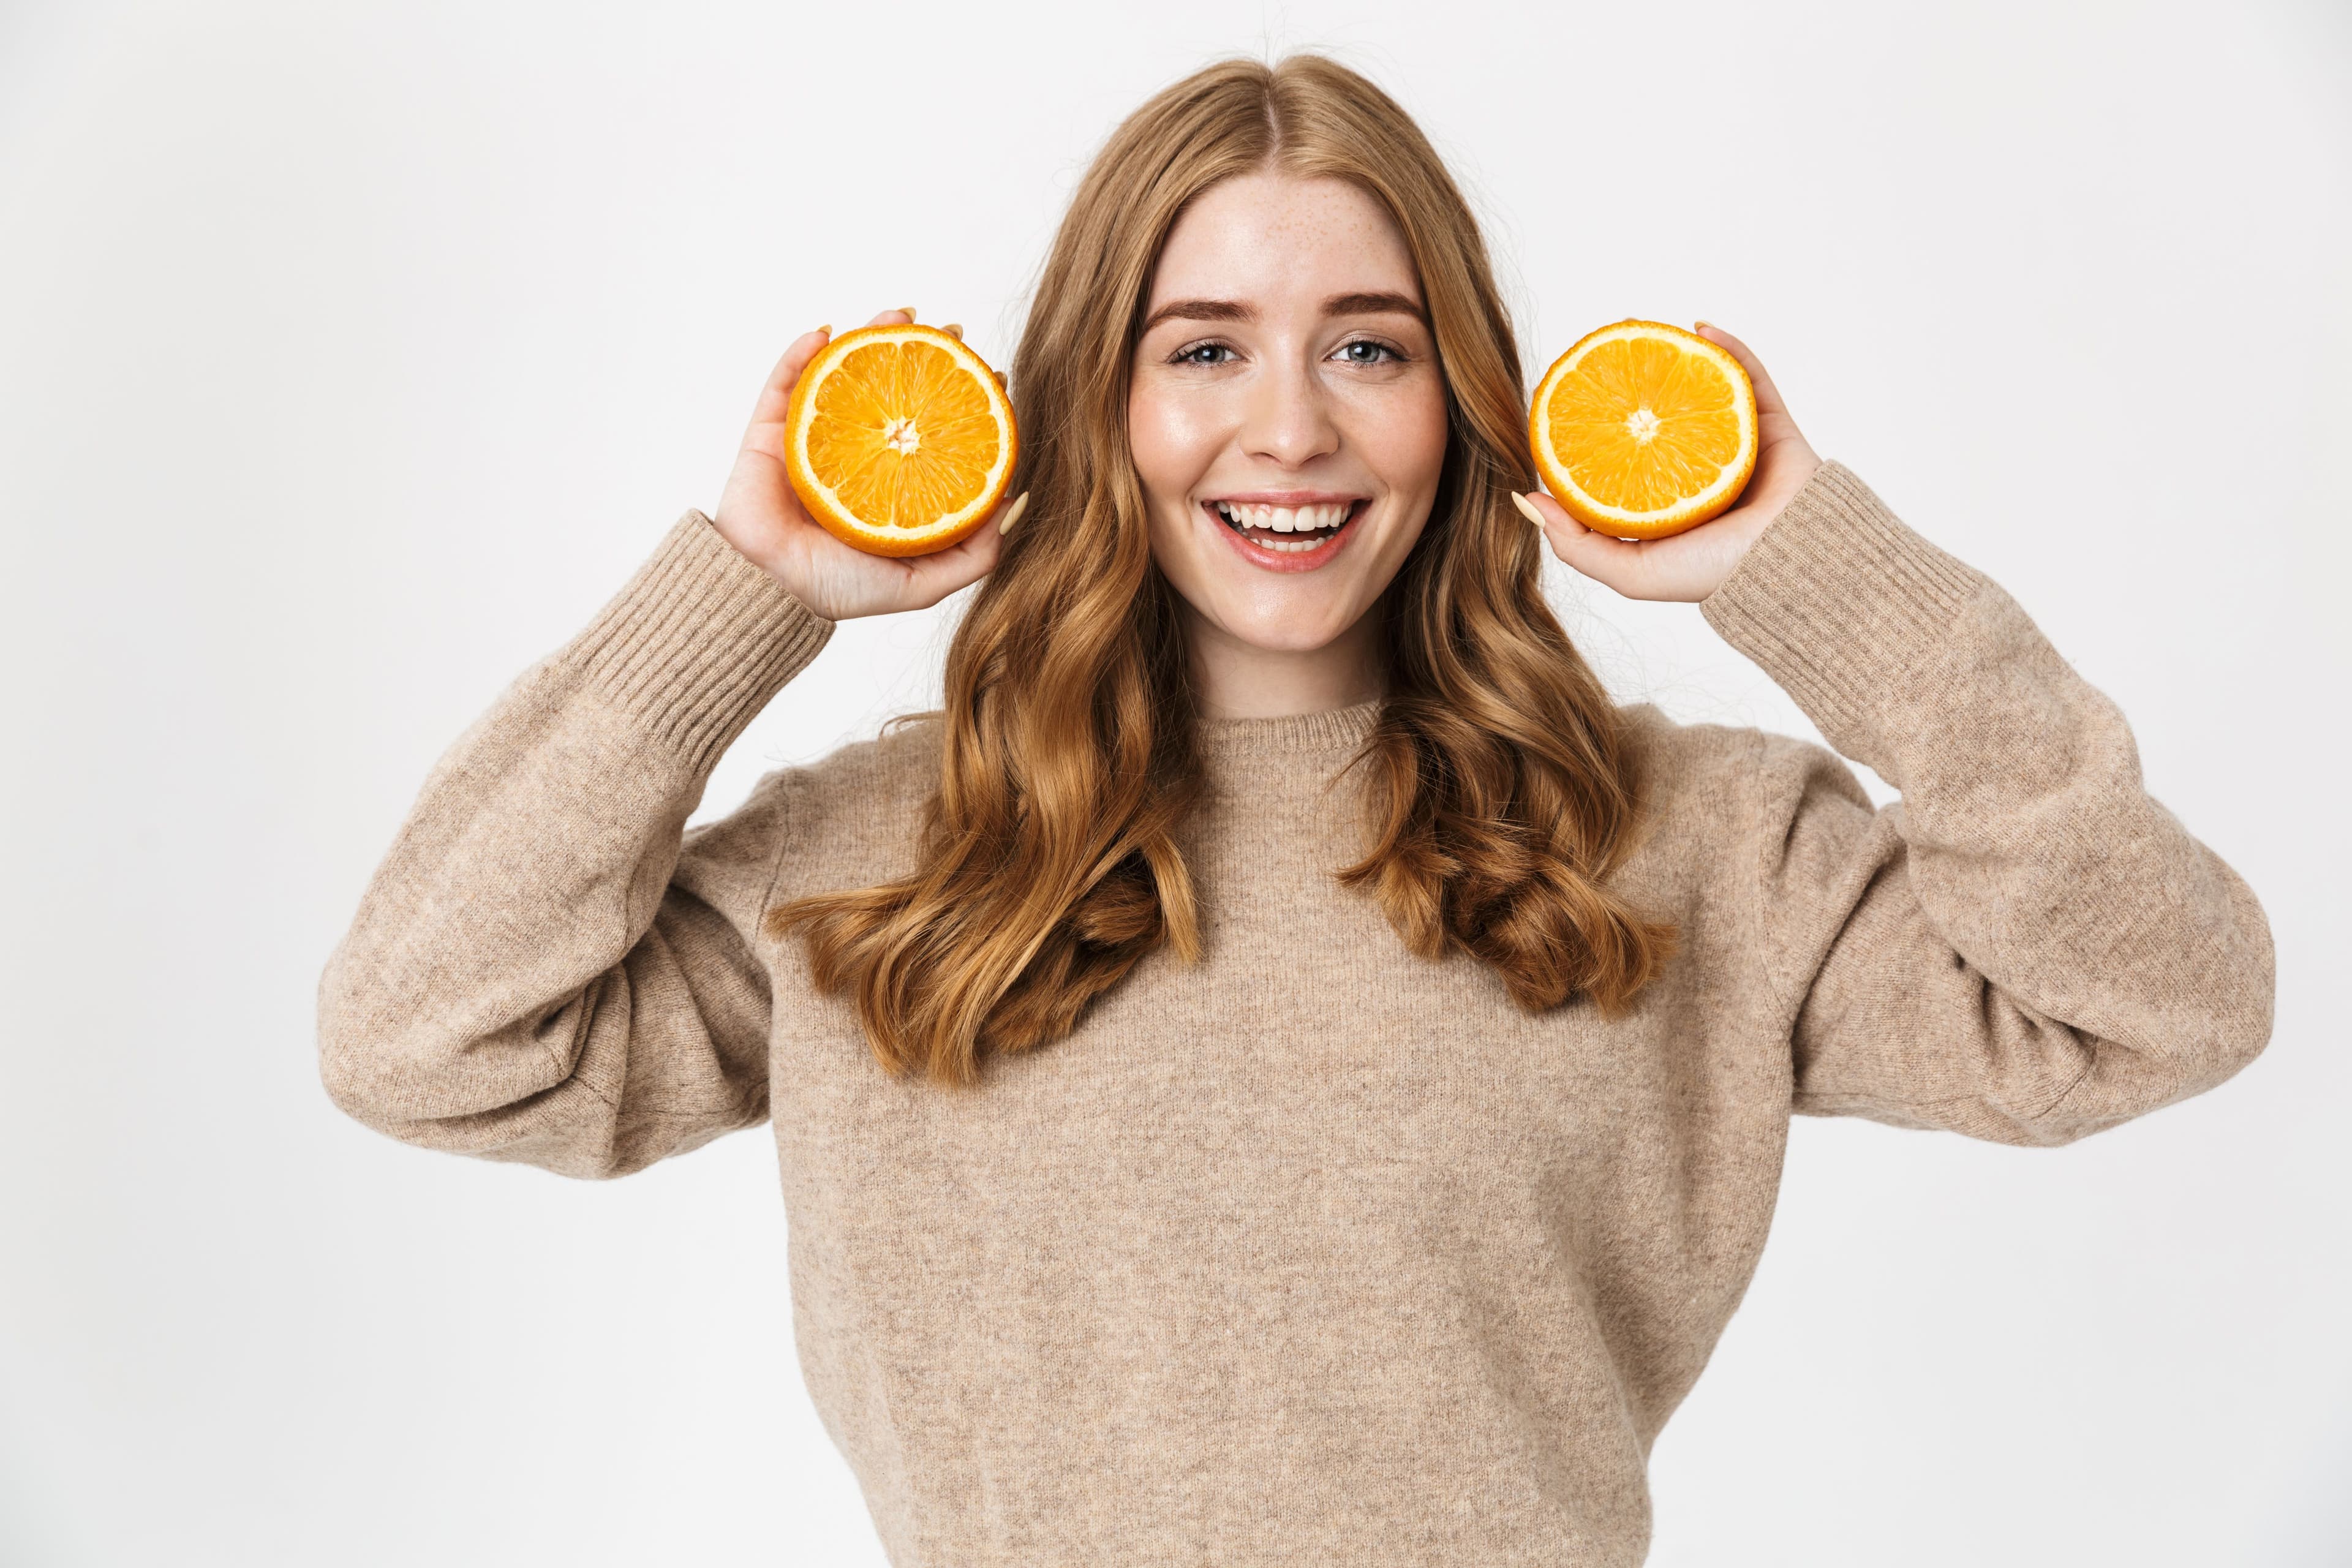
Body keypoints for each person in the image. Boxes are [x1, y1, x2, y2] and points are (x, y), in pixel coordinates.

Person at [315, 51, 2274, 1566]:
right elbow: (425, 1038)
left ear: (1462, 401)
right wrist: (732, 602)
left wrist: (1826, 578)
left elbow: (2165, 999)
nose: (1290, 427)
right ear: (1097, 404)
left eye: (1368, 346)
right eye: (1203, 352)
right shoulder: (884, 858)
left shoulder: (1690, 845)